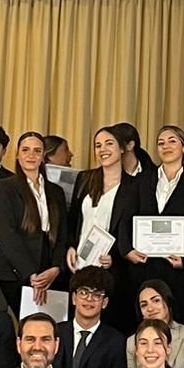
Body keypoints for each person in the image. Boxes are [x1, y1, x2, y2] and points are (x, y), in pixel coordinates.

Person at [132, 125, 184, 326]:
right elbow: (128, 218)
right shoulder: (141, 181)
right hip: (144, 267)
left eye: (172, 141)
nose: (166, 146)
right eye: (161, 143)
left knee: (177, 323)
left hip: (178, 272)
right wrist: (129, 251)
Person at [0, 131, 66, 317]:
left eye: (37, 151)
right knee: (28, 324)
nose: (31, 155)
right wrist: (31, 275)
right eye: (25, 150)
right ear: (17, 154)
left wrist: (56, 268)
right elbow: (7, 234)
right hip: (17, 269)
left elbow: (62, 234)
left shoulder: (56, 191)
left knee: (52, 324)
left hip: (50, 269)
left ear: (43, 156)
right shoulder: (5, 187)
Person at [66, 126, 138, 307]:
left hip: (111, 269)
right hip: (79, 265)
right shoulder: (85, 178)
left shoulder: (135, 186)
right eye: (98, 145)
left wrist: (115, 257)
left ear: (122, 148)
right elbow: (73, 219)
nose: (103, 149)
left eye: (109, 143)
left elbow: (133, 230)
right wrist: (70, 246)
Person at [125, 280, 184, 368]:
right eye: (144, 305)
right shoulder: (131, 342)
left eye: (156, 301)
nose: (150, 309)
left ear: (168, 301)